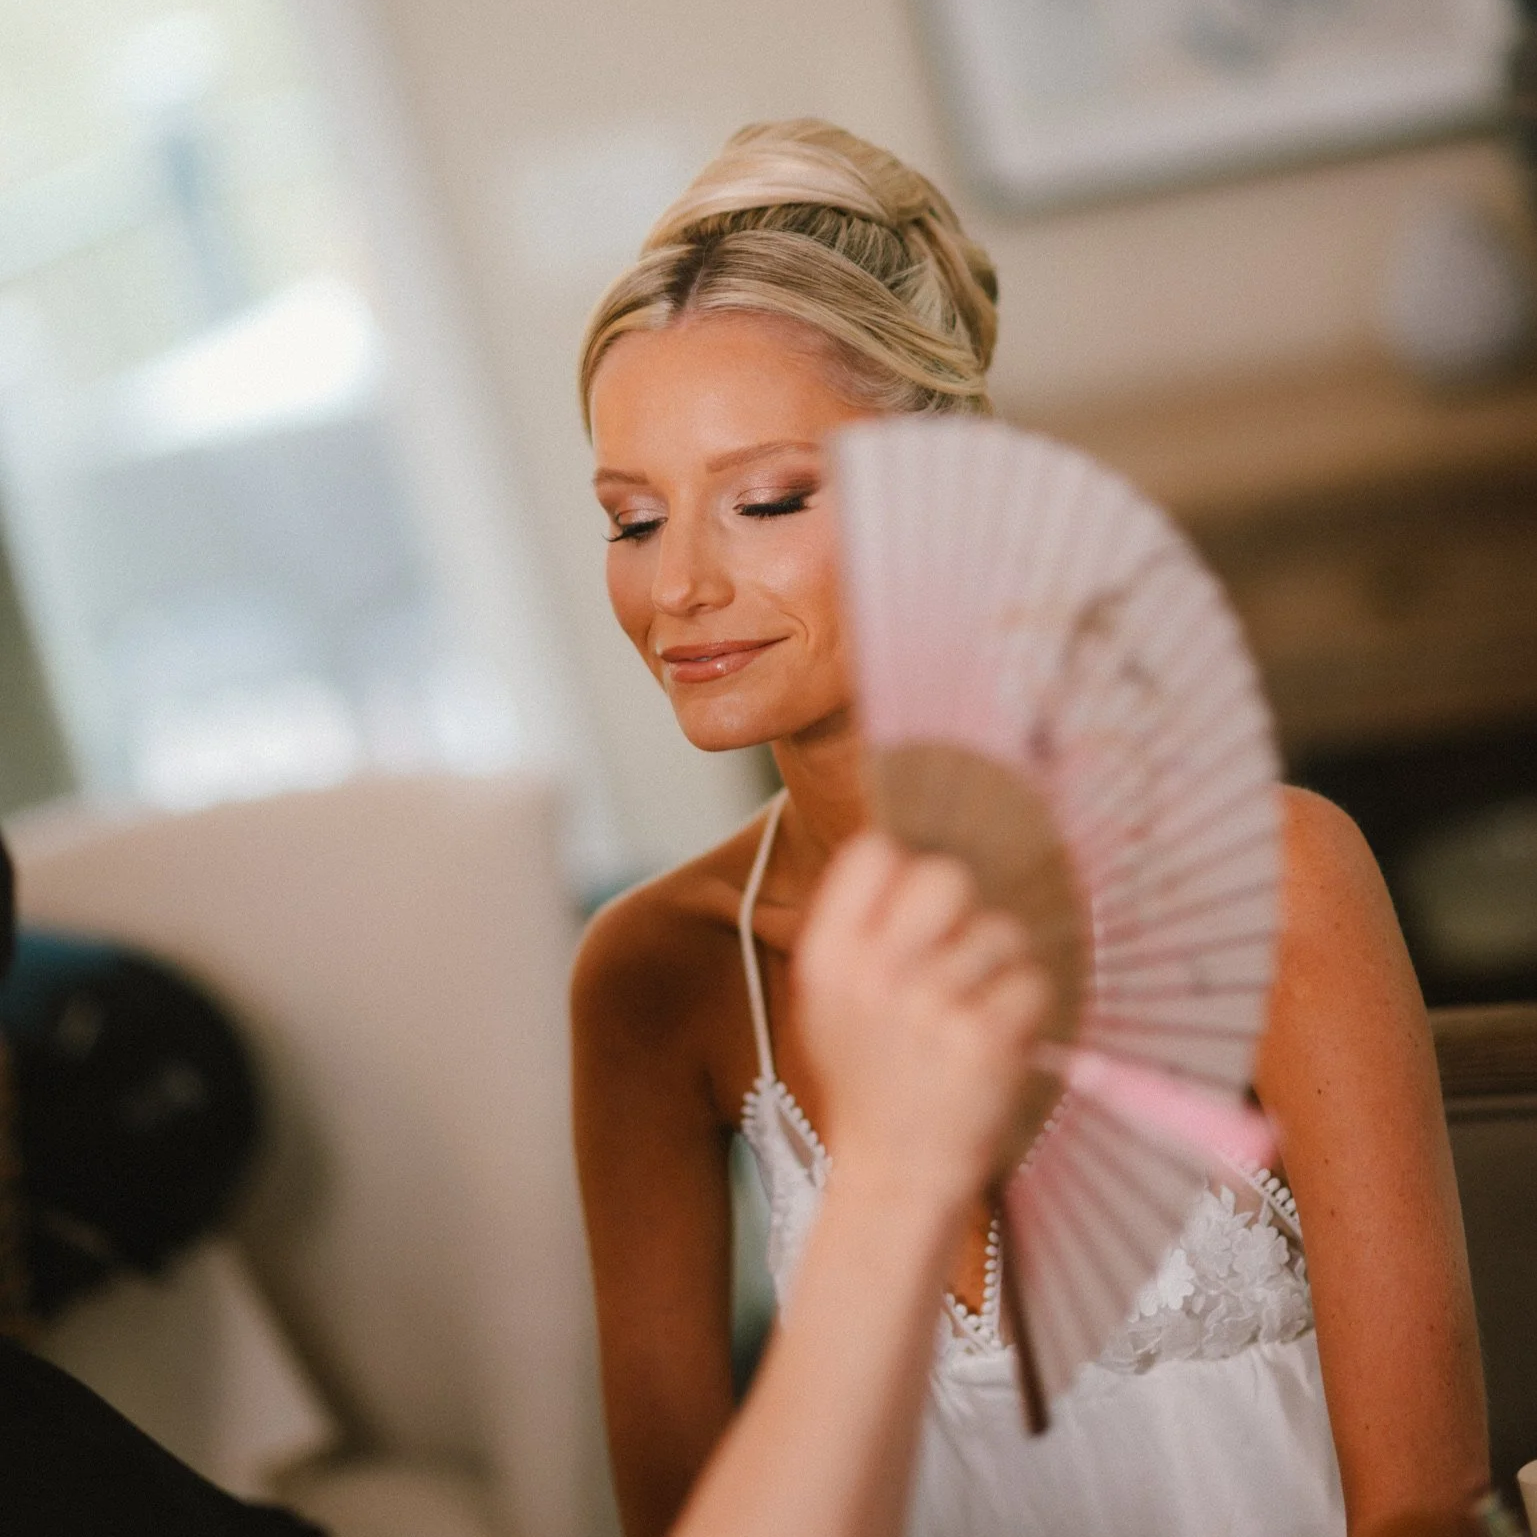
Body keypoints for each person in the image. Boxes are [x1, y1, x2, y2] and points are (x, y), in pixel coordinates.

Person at [570, 119, 1489, 1537]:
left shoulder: (1276, 878)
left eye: (761, 502)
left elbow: (1422, 1512)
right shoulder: (654, 981)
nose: (678, 586)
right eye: (634, 520)